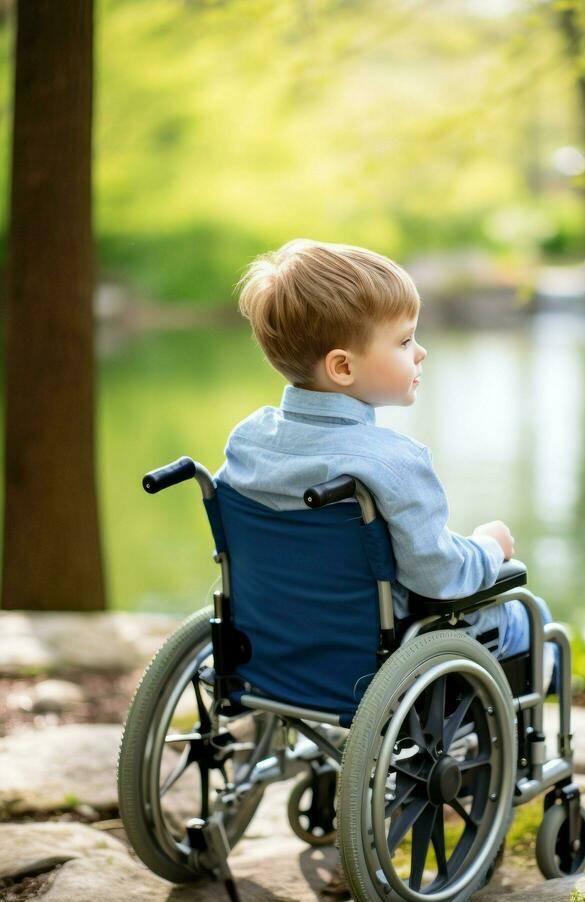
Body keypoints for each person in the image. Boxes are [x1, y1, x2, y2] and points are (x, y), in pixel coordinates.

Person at [216, 239, 556, 691]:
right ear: (342, 367)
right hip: (381, 661)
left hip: (278, 647)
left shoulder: (247, 442)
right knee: (528, 616)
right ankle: (513, 729)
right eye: (404, 340)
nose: (421, 352)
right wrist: (489, 547)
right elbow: (440, 577)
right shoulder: (390, 463)